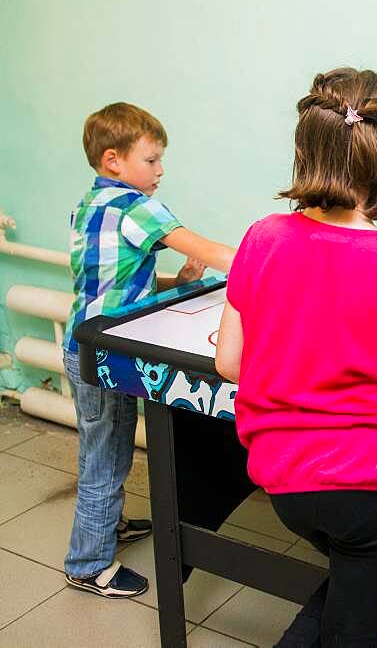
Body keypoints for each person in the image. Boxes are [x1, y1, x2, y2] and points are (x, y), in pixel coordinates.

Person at [215, 68, 377, 648]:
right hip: (369, 486)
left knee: (362, 576)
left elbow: (229, 362)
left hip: (283, 481)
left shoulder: (261, 238)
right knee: (361, 598)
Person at [63, 102, 235, 597]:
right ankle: (88, 563)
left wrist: (175, 281)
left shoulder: (90, 205)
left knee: (101, 445)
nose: (160, 171)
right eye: (152, 160)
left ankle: (106, 526)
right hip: (103, 354)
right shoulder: (135, 206)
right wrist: (270, 259)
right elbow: (209, 250)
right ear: (114, 159)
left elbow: (110, 288)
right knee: (107, 454)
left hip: (81, 345)